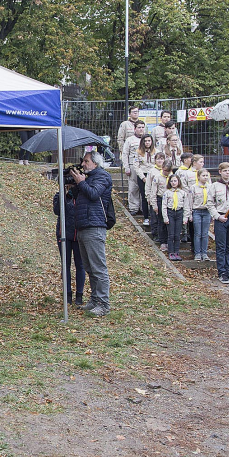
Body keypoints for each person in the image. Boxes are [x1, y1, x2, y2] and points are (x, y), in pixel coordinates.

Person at [70, 151, 113, 317]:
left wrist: (81, 182)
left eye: (86, 161)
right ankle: (95, 300)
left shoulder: (102, 176)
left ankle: (103, 304)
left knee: (98, 268)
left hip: (95, 226)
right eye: (83, 161)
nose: (83, 164)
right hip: (83, 226)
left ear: (95, 163)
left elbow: (94, 194)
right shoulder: (87, 178)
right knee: (89, 267)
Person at [53, 177, 85, 307]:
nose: (70, 185)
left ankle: (79, 295)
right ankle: (68, 295)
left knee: (80, 265)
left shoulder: (81, 195)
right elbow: (57, 210)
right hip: (64, 233)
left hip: (78, 234)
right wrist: (63, 194)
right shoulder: (60, 194)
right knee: (65, 265)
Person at [161, 174, 190, 261]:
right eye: (172, 181)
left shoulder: (183, 193)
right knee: (171, 234)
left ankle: (176, 252)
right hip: (170, 213)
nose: (173, 183)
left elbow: (186, 206)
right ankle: (171, 252)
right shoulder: (167, 193)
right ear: (169, 182)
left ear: (178, 182)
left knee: (177, 235)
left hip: (179, 213)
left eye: (175, 181)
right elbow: (164, 206)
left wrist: (185, 218)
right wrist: (165, 217)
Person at [122, 120, 146, 215]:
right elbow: (125, 154)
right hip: (133, 166)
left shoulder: (147, 139)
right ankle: (134, 207)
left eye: (142, 127)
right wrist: (126, 167)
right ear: (135, 129)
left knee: (144, 188)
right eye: (139, 127)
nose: (141, 129)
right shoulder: (130, 140)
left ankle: (143, 207)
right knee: (133, 187)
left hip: (144, 166)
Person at [189, 168, 213, 261]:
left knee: (205, 233)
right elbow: (190, 201)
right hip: (197, 211)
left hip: (207, 211)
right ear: (198, 177)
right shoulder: (193, 187)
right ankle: (197, 253)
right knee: (198, 233)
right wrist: (190, 213)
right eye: (203, 175)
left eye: (207, 175)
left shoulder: (210, 187)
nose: (205, 177)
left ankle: (204, 253)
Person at [145, 152, 167, 244]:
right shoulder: (152, 171)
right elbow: (148, 185)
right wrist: (148, 196)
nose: (160, 161)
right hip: (154, 197)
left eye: (162, 159)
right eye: (158, 159)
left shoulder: (167, 170)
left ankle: (162, 235)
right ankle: (155, 234)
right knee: (155, 217)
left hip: (166, 198)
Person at [135, 133, 156, 226]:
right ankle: (146, 217)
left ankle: (154, 216)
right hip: (143, 175)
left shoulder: (156, 151)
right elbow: (136, 166)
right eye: (145, 141)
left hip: (154, 175)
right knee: (144, 197)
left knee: (154, 196)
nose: (147, 143)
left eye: (149, 141)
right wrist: (143, 177)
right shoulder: (138, 152)